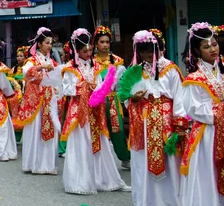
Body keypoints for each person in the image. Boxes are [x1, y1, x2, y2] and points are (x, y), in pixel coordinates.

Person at [118, 29, 186, 206]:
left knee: (170, 162)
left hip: (165, 122)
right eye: (142, 51)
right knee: (142, 160)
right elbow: (125, 96)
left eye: (150, 50)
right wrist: (134, 98)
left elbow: (179, 98)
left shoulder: (171, 69)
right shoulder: (136, 71)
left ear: (158, 48)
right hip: (143, 122)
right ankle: (146, 201)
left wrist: (179, 125)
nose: (147, 54)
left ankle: (171, 201)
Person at [61, 28, 130, 194]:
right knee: (81, 144)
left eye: (90, 50)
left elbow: (100, 85)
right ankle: (80, 182)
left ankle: (105, 180)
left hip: (95, 111)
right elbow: (67, 89)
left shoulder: (96, 66)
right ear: (77, 50)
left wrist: (105, 85)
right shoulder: (70, 68)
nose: (88, 53)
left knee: (101, 144)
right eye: (85, 51)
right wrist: (84, 87)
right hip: (79, 113)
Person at [179, 22, 224, 206]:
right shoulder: (194, 78)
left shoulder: (221, 71)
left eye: (214, 44)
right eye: (206, 47)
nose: (212, 49)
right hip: (207, 134)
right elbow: (193, 109)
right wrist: (220, 111)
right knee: (208, 174)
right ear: (197, 51)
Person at [16, 27, 60, 175]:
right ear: (39, 44)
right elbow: (27, 73)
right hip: (36, 100)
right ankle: (33, 163)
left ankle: (48, 165)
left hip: (50, 99)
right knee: (35, 130)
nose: (49, 45)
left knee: (49, 129)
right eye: (47, 42)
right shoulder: (32, 60)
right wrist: (41, 67)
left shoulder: (53, 61)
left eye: (51, 43)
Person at [93, 25, 131, 170]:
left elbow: (123, 84)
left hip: (112, 100)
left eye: (107, 42)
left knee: (118, 130)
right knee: (98, 130)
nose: (105, 45)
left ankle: (125, 157)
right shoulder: (91, 61)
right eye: (102, 42)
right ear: (96, 43)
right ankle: (99, 161)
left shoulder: (117, 61)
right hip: (97, 101)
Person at [9, 46, 27, 142]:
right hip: (16, 95)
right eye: (18, 56)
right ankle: (16, 135)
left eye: (21, 56)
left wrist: (22, 82)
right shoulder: (14, 69)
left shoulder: (26, 69)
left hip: (24, 94)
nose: (19, 58)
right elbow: (9, 79)